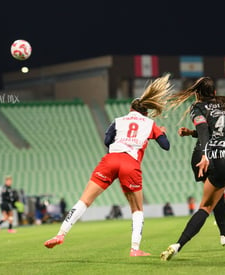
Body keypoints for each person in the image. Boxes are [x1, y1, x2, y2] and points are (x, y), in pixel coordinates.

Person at [44, 74, 172, 257]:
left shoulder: (119, 120)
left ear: (130, 109)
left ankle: (60, 234)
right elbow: (165, 146)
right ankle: (135, 249)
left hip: (110, 160)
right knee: (137, 209)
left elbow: (107, 141)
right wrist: (161, 134)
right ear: (146, 112)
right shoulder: (151, 124)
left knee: (84, 200)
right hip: (130, 164)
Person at [160, 76, 225, 261]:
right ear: (215, 92)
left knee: (214, 196)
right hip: (224, 159)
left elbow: (203, 130)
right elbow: (214, 132)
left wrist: (202, 151)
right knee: (207, 204)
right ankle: (178, 245)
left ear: (197, 94)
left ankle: (224, 234)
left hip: (201, 158)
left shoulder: (197, 107)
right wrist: (206, 154)